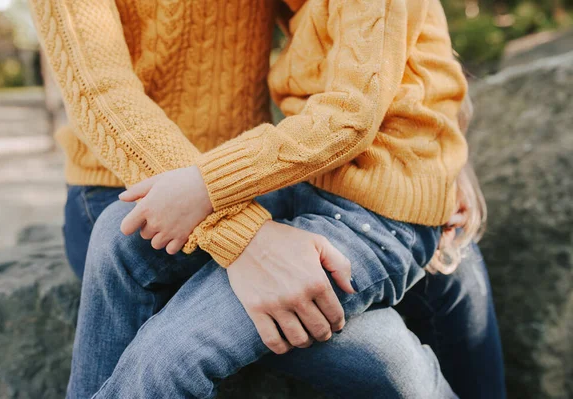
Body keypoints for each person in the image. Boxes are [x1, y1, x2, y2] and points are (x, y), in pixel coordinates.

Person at [29, 0, 505, 397]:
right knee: (125, 234)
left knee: (458, 267)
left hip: (262, 181)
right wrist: (242, 235)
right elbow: (103, 98)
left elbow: (380, 63)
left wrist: (443, 151)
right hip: (144, 176)